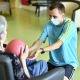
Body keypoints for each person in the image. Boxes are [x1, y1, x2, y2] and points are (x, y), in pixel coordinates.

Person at [27, 2, 79, 80]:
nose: (51, 19)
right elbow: (40, 41)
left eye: (54, 16)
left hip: (68, 63)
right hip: (53, 62)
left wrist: (41, 50)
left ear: (62, 15)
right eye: (50, 16)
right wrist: (30, 50)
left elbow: (58, 44)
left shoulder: (69, 25)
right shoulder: (48, 25)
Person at [0, 15, 48, 80]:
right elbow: (26, 78)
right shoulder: (12, 56)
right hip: (19, 75)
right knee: (43, 63)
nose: (6, 32)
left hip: (7, 71)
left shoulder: (4, 50)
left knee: (32, 60)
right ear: (1, 35)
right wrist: (22, 59)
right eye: (5, 30)